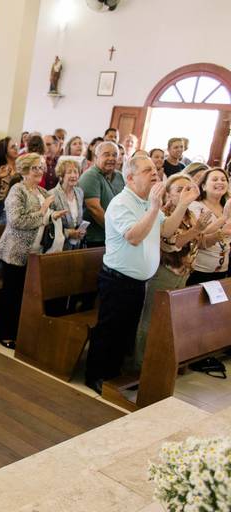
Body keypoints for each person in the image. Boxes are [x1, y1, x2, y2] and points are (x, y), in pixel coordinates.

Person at [84, 156, 190, 394]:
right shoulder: (121, 203)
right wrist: (154, 208)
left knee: (125, 331)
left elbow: (166, 230)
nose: (155, 173)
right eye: (147, 170)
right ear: (130, 178)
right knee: (110, 330)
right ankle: (96, 376)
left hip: (138, 282)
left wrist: (182, 205)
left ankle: (113, 374)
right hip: (117, 279)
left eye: (154, 169)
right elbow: (133, 237)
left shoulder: (146, 201)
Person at [129, 174, 213, 374]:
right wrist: (196, 230)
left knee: (169, 321)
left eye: (188, 189)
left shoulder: (190, 214)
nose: (185, 193)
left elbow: (199, 240)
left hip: (182, 273)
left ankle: (159, 362)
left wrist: (219, 224)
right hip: (163, 272)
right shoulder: (163, 213)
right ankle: (139, 367)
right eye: (179, 189)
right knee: (150, 320)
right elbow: (171, 244)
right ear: (168, 194)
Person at [0, 153, 66, 348]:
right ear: (24, 170)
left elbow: (45, 217)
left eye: (41, 167)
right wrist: (42, 212)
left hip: (36, 251)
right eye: (35, 168)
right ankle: (2, 333)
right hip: (16, 251)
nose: (40, 171)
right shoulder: (18, 190)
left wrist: (53, 215)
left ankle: (18, 331)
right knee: (11, 294)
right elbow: (16, 221)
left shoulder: (41, 191)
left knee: (24, 295)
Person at [186, 168, 231, 285]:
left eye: (223, 180)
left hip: (223, 270)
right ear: (204, 186)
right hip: (198, 270)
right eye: (215, 179)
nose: (220, 182)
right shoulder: (195, 206)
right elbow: (199, 236)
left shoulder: (227, 207)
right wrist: (223, 218)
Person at [77, 141, 125, 247]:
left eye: (114, 155)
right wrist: (116, 231)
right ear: (96, 157)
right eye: (106, 154)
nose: (111, 158)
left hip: (116, 237)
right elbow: (95, 210)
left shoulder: (120, 176)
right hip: (95, 239)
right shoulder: (90, 176)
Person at [51, 158, 86, 250]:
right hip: (59, 246)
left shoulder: (79, 192)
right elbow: (49, 225)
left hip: (77, 244)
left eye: (76, 172)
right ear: (61, 176)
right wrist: (68, 233)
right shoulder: (51, 194)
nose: (73, 175)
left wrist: (81, 231)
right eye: (69, 172)